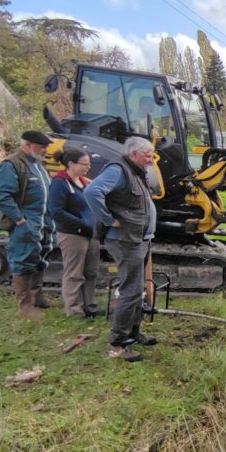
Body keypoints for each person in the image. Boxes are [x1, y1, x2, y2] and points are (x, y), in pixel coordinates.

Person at [85, 138, 159, 362]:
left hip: (138, 239)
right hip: (126, 240)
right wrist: (108, 219)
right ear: (134, 153)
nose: (151, 159)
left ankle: (133, 334)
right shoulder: (118, 170)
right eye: (147, 154)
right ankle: (118, 343)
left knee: (138, 291)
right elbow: (92, 192)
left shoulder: (135, 171)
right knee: (131, 291)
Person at [0, 131, 54, 319]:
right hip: (25, 222)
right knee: (23, 260)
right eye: (42, 146)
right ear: (27, 145)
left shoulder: (38, 165)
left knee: (40, 258)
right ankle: (25, 307)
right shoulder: (12, 165)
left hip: (42, 221)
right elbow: (0, 195)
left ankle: (36, 297)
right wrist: (19, 220)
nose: (45, 149)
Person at [48, 148, 103, 319]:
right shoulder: (59, 183)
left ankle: (90, 305)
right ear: (71, 164)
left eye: (89, 164)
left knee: (91, 272)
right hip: (73, 235)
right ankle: (74, 310)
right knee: (74, 273)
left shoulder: (83, 182)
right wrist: (81, 225)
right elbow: (56, 211)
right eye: (84, 164)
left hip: (90, 234)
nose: (88, 167)